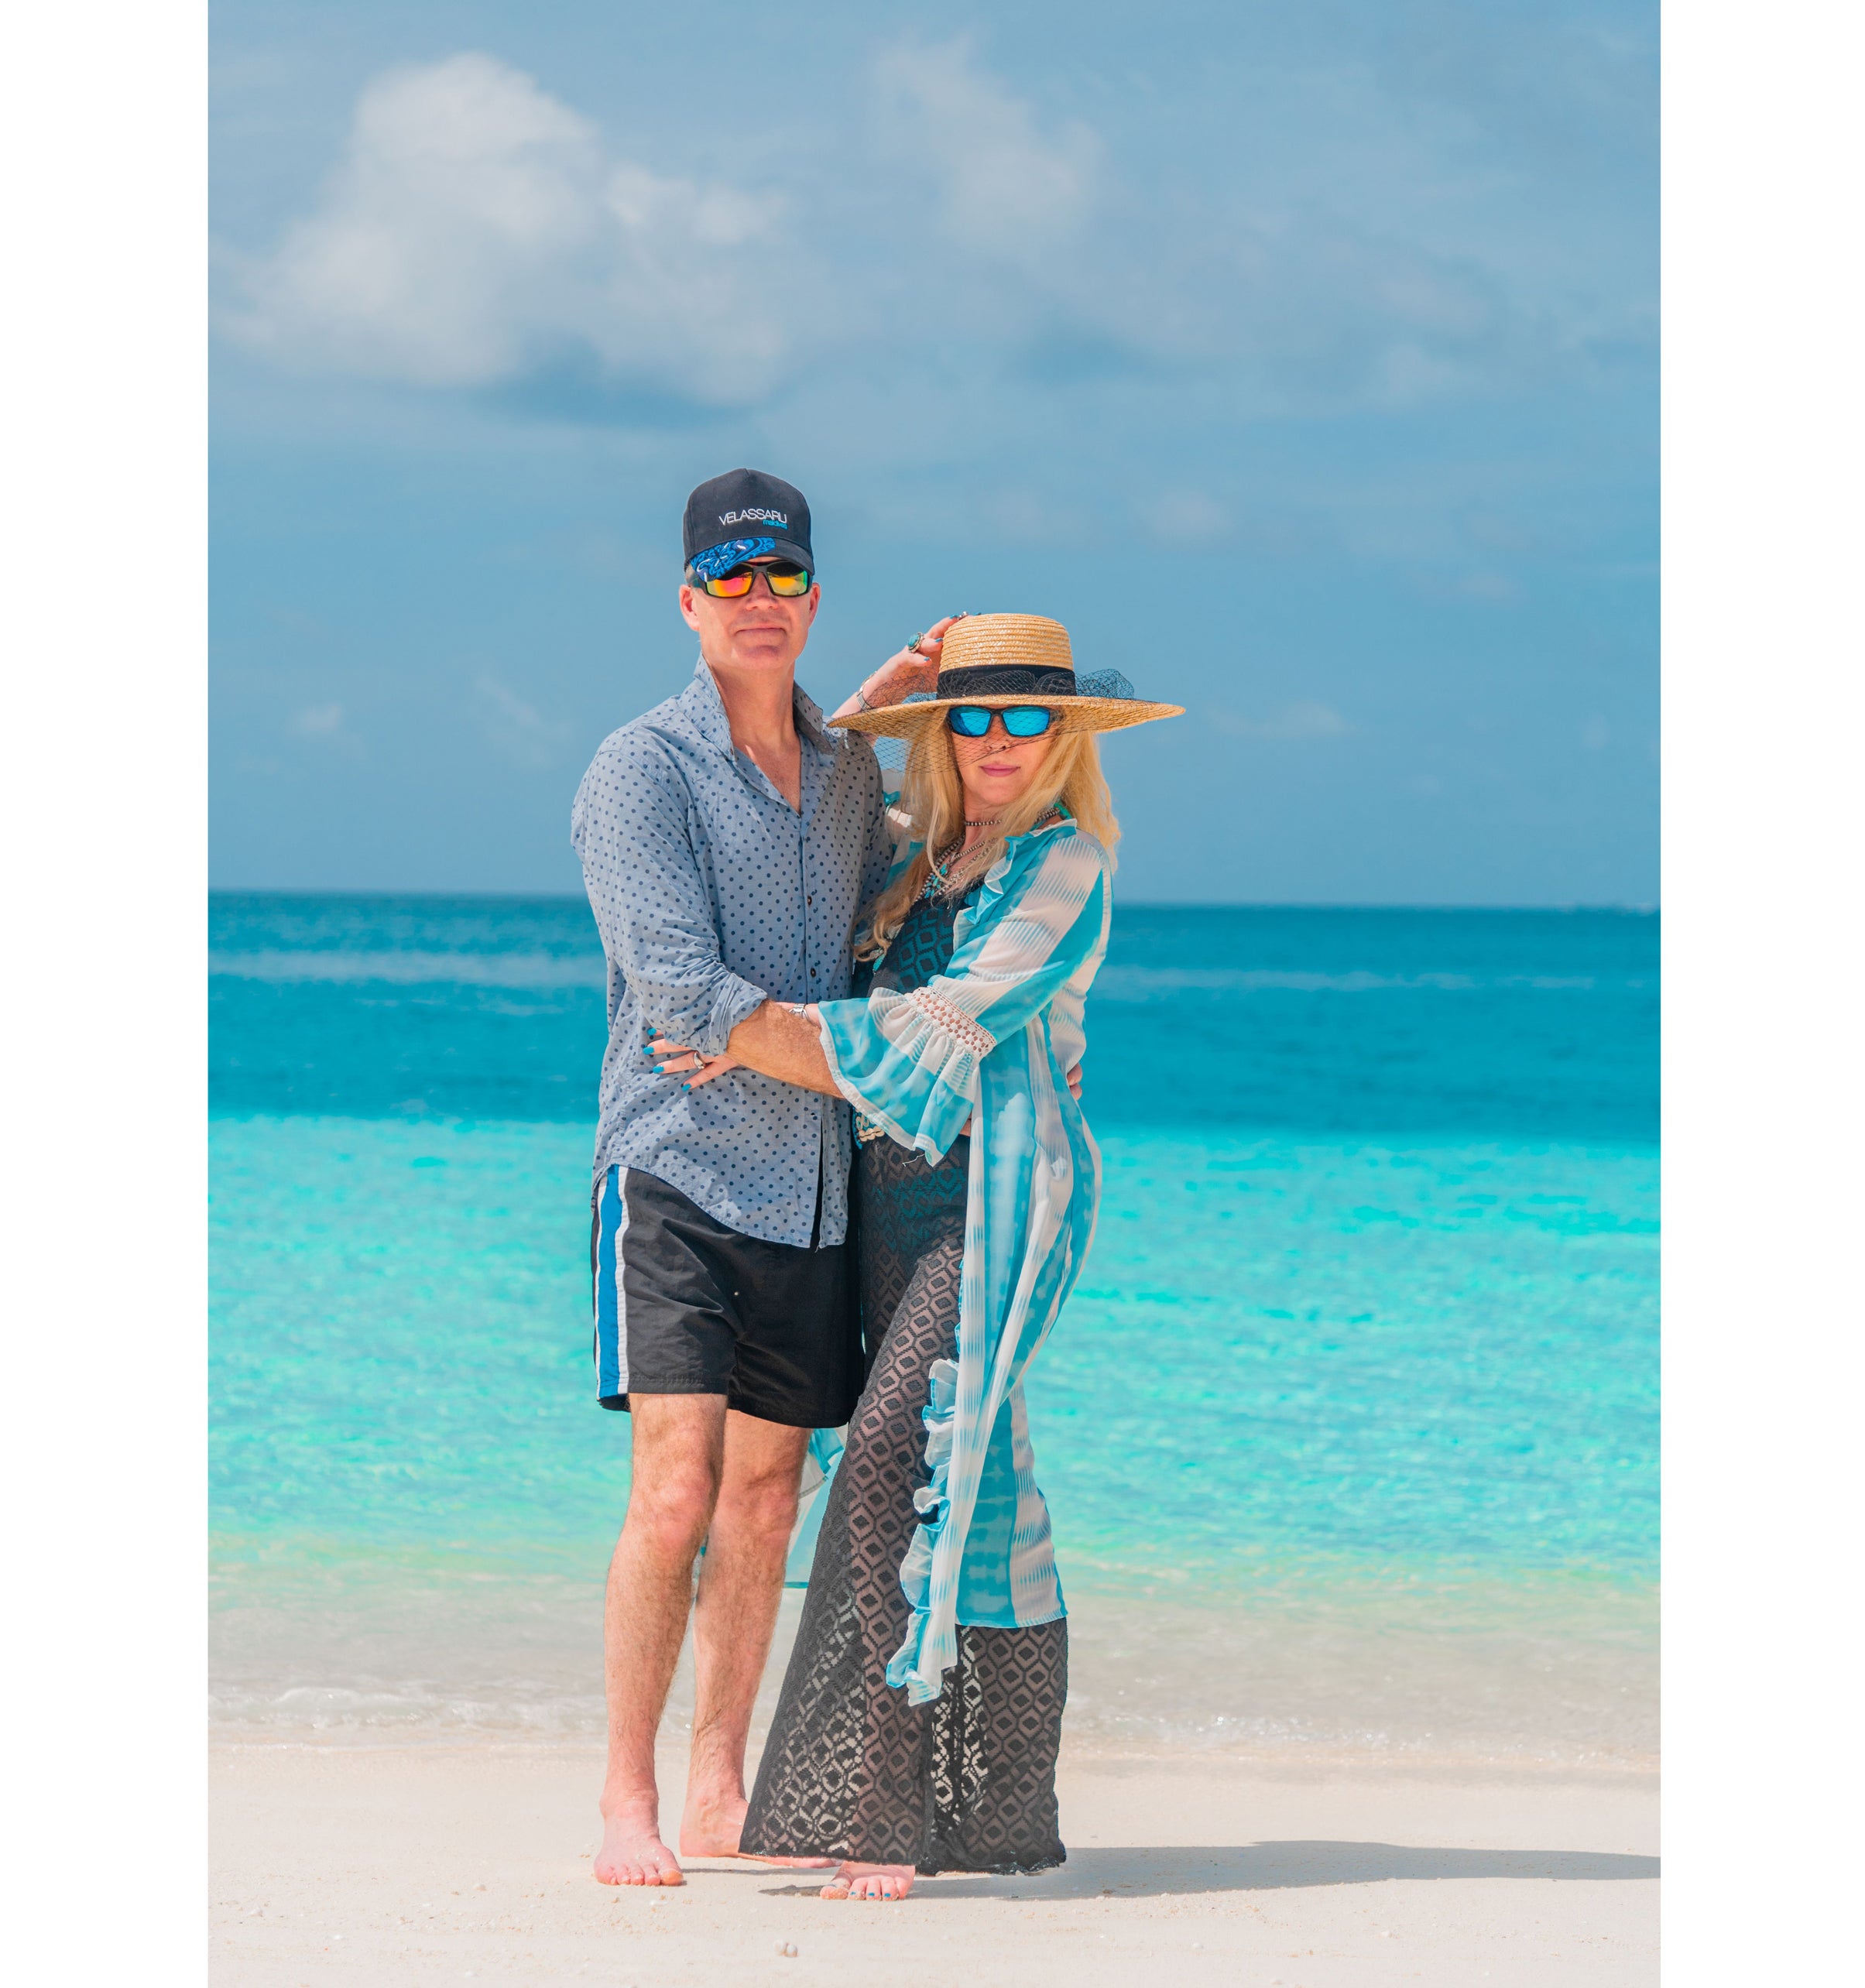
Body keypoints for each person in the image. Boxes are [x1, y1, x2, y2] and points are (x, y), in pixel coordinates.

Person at [653, 614, 1181, 1900]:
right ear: (944, 733)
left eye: (1027, 718)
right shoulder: (915, 861)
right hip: (880, 1204)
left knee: (899, 1449)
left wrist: (742, 1032)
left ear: (1065, 736)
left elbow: (934, 1027)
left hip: (996, 1208)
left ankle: (881, 1815)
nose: (1000, 741)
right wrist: (874, 694)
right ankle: (983, 1808)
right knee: (972, 1478)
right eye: (974, 715)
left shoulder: (1066, 867)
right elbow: (798, 820)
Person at [570, 468, 968, 1886]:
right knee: (674, 1492)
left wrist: (794, 1042)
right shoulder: (639, 770)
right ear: (687, 602)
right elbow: (682, 996)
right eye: (728, 579)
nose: (757, 600)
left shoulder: (849, 772)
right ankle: (626, 1802)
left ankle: (720, 1784)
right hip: (671, 1177)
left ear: (809, 595)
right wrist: (867, 1058)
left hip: (808, 1192)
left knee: (763, 1502)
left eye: (781, 577)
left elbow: (877, 924)